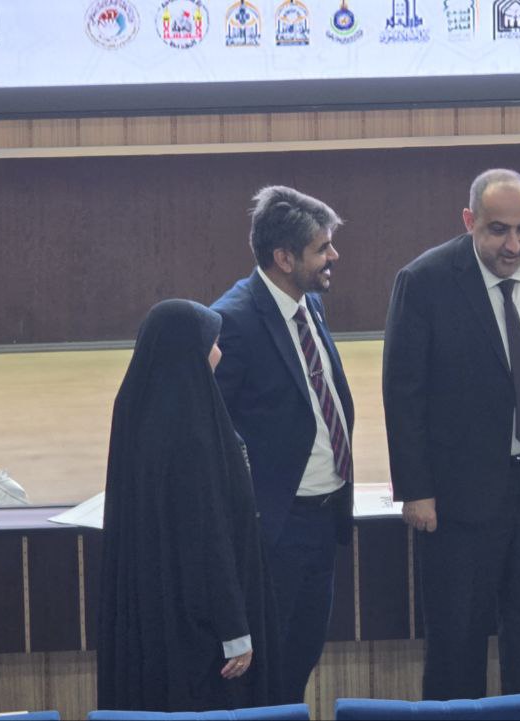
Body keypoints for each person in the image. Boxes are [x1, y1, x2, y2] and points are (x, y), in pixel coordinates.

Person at [383, 168, 520, 701]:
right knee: (456, 645)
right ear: (469, 220)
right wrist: (416, 489)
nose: (514, 245)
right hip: (460, 497)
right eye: (498, 230)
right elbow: (403, 392)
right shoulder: (425, 280)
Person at [98, 299, 280, 711]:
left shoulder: (141, 414)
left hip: (157, 617)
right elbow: (209, 540)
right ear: (188, 352)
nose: (219, 352)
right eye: (212, 343)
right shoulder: (192, 437)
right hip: (203, 635)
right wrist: (235, 630)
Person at [212, 186, 354, 703]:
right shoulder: (232, 321)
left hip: (323, 521)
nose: (334, 255)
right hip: (275, 533)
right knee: (268, 675)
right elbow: (212, 433)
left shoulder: (308, 304)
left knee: (299, 660)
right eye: (322, 247)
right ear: (284, 258)